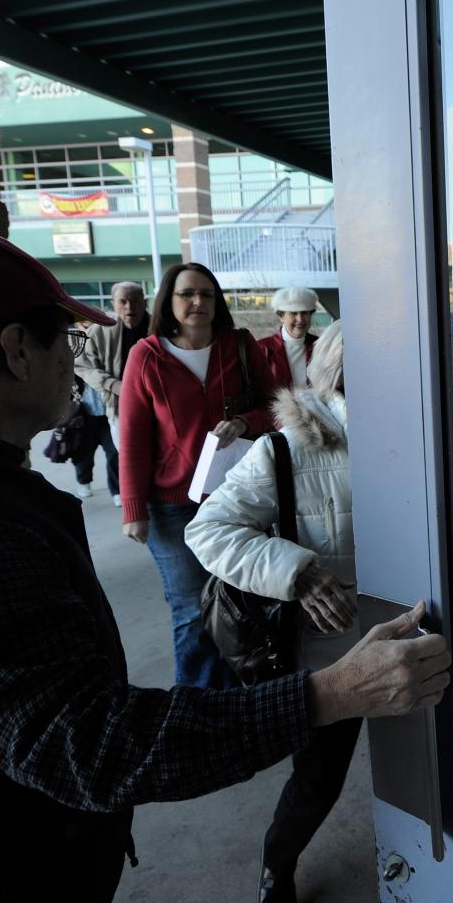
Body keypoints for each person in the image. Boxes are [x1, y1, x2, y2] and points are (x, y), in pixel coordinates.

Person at [0, 228, 449, 903]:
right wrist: (330, 694)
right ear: (15, 351)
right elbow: (94, 747)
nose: (75, 366)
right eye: (64, 343)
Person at [186, 320, 359, 903]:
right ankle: (275, 867)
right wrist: (299, 572)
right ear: (340, 369)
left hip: (422, 633)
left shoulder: (432, 432)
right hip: (332, 655)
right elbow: (208, 530)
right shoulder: (285, 449)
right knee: (318, 781)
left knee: (435, 768)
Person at [119, 263, 277, 688]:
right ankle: (199, 707)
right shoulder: (147, 355)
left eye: (207, 294)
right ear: (168, 302)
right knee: (191, 611)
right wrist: (133, 508)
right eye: (187, 293)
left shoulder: (240, 346)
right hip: (172, 507)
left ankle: (245, 695)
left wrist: (245, 422)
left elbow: (278, 409)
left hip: (238, 499)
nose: (198, 302)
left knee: (242, 601)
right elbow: (133, 435)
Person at [76, 280, 150, 505]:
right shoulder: (100, 330)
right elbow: (81, 365)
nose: (129, 308)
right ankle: (134, 501)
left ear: (144, 302)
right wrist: (113, 385)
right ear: (113, 303)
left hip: (162, 403)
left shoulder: (160, 325)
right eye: (123, 301)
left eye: (135, 300)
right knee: (126, 455)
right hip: (119, 405)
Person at [256, 286, 320, 394]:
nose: (300, 319)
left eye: (304, 313)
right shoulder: (262, 349)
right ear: (281, 316)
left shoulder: (320, 346)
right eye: (293, 313)